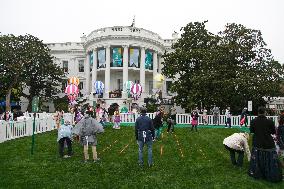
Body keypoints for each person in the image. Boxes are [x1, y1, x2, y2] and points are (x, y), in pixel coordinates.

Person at [248, 107, 282, 182]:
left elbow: (252, 131)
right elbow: (273, 132)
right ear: (265, 112)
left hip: (257, 142)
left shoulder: (253, 121)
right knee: (269, 159)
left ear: (258, 112)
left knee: (257, 158)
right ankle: (269, 173)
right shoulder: (270, 121)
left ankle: (258, 172)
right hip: (268, 143)